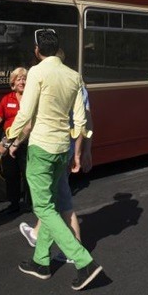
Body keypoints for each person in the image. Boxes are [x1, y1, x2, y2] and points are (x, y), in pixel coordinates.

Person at [6, 29, 103, 291]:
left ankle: (85, 262)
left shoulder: (36, 71)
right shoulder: (74, 76)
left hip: (42, 148)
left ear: (37, 50)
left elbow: (25, 113)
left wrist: (8, 139)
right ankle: (41, 262)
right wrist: (79, 152)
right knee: (53, 203)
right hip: (64, 148)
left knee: (44, 209)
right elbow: (81, 120)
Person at [19, 53, 95, 264]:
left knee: (58, 199)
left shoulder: (47, 82)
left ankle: (77, 251)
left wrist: (12, 142)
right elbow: (85, 122)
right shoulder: (77, 83)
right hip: (67, 148)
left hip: (49, 146)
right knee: (54, 196)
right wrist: (82, 151)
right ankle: (39, 248)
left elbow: (28, 118)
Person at [0, 67, 30, 213]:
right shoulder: (7, 99)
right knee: (10, 173)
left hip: (26, 139)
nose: (22, 81)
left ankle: (30, 203)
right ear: (13, 83)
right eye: (19, 79)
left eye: (24, 78)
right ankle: (14, 204)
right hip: (8, 139)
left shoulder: (31, 98)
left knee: (28, 172)